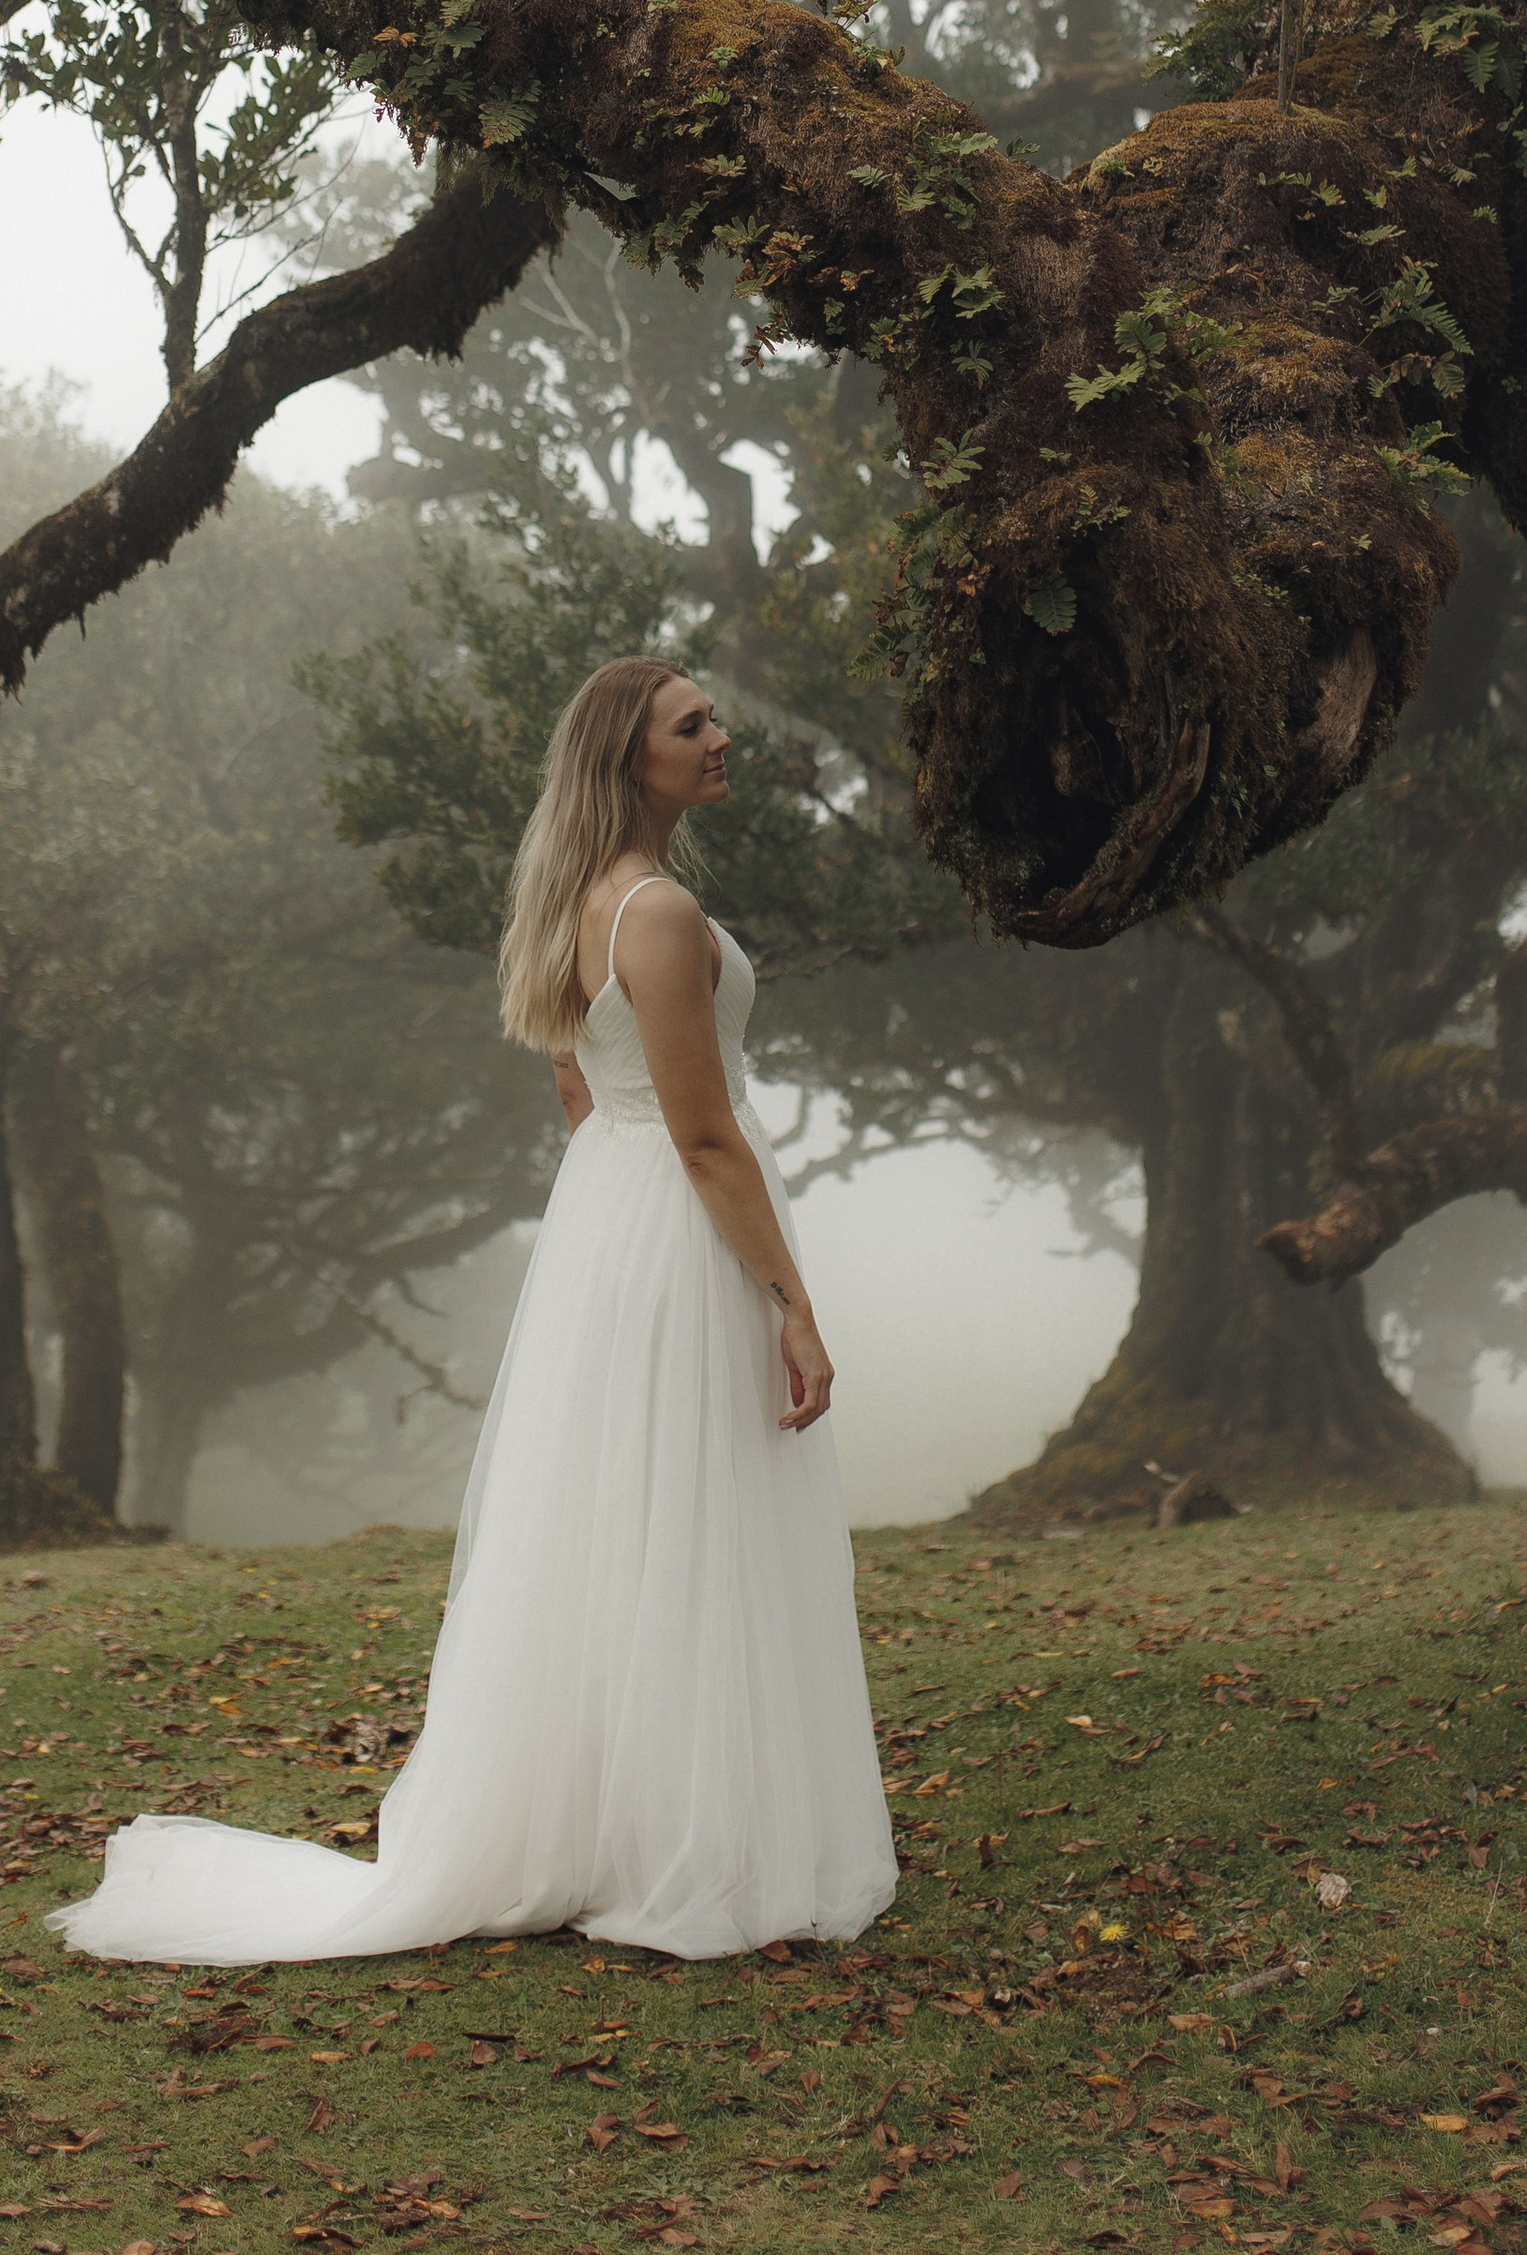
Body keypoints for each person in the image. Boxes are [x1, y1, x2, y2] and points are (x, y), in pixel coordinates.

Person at [46, 656, 898, 1964]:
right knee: (693, 1513)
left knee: (628, 1522)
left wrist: (618, 1212)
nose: (721, 737)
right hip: (675, 1224)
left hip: (613, 1227)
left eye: (713, 716)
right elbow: (707, 1136)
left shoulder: (576, 903)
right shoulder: (658, 914)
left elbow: (582, 1092)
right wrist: (793, 1305)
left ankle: (627, 1826)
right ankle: (683, 1837)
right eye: (692, 724)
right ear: (632, 760)